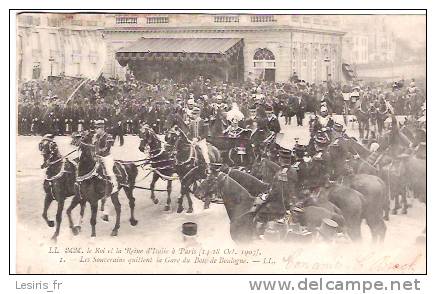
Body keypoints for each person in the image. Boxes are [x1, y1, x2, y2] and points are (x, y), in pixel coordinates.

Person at [93, 120, 117, 195]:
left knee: (109, 170)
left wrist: (98, 152)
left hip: (106, 157)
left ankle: (114, 185)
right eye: (96, 128)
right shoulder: (96, 136)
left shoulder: (108, 136)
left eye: (97, 128)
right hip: (97, 157)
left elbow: (107, 148)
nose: (96, 130)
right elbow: (93, 146)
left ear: (102, 128)